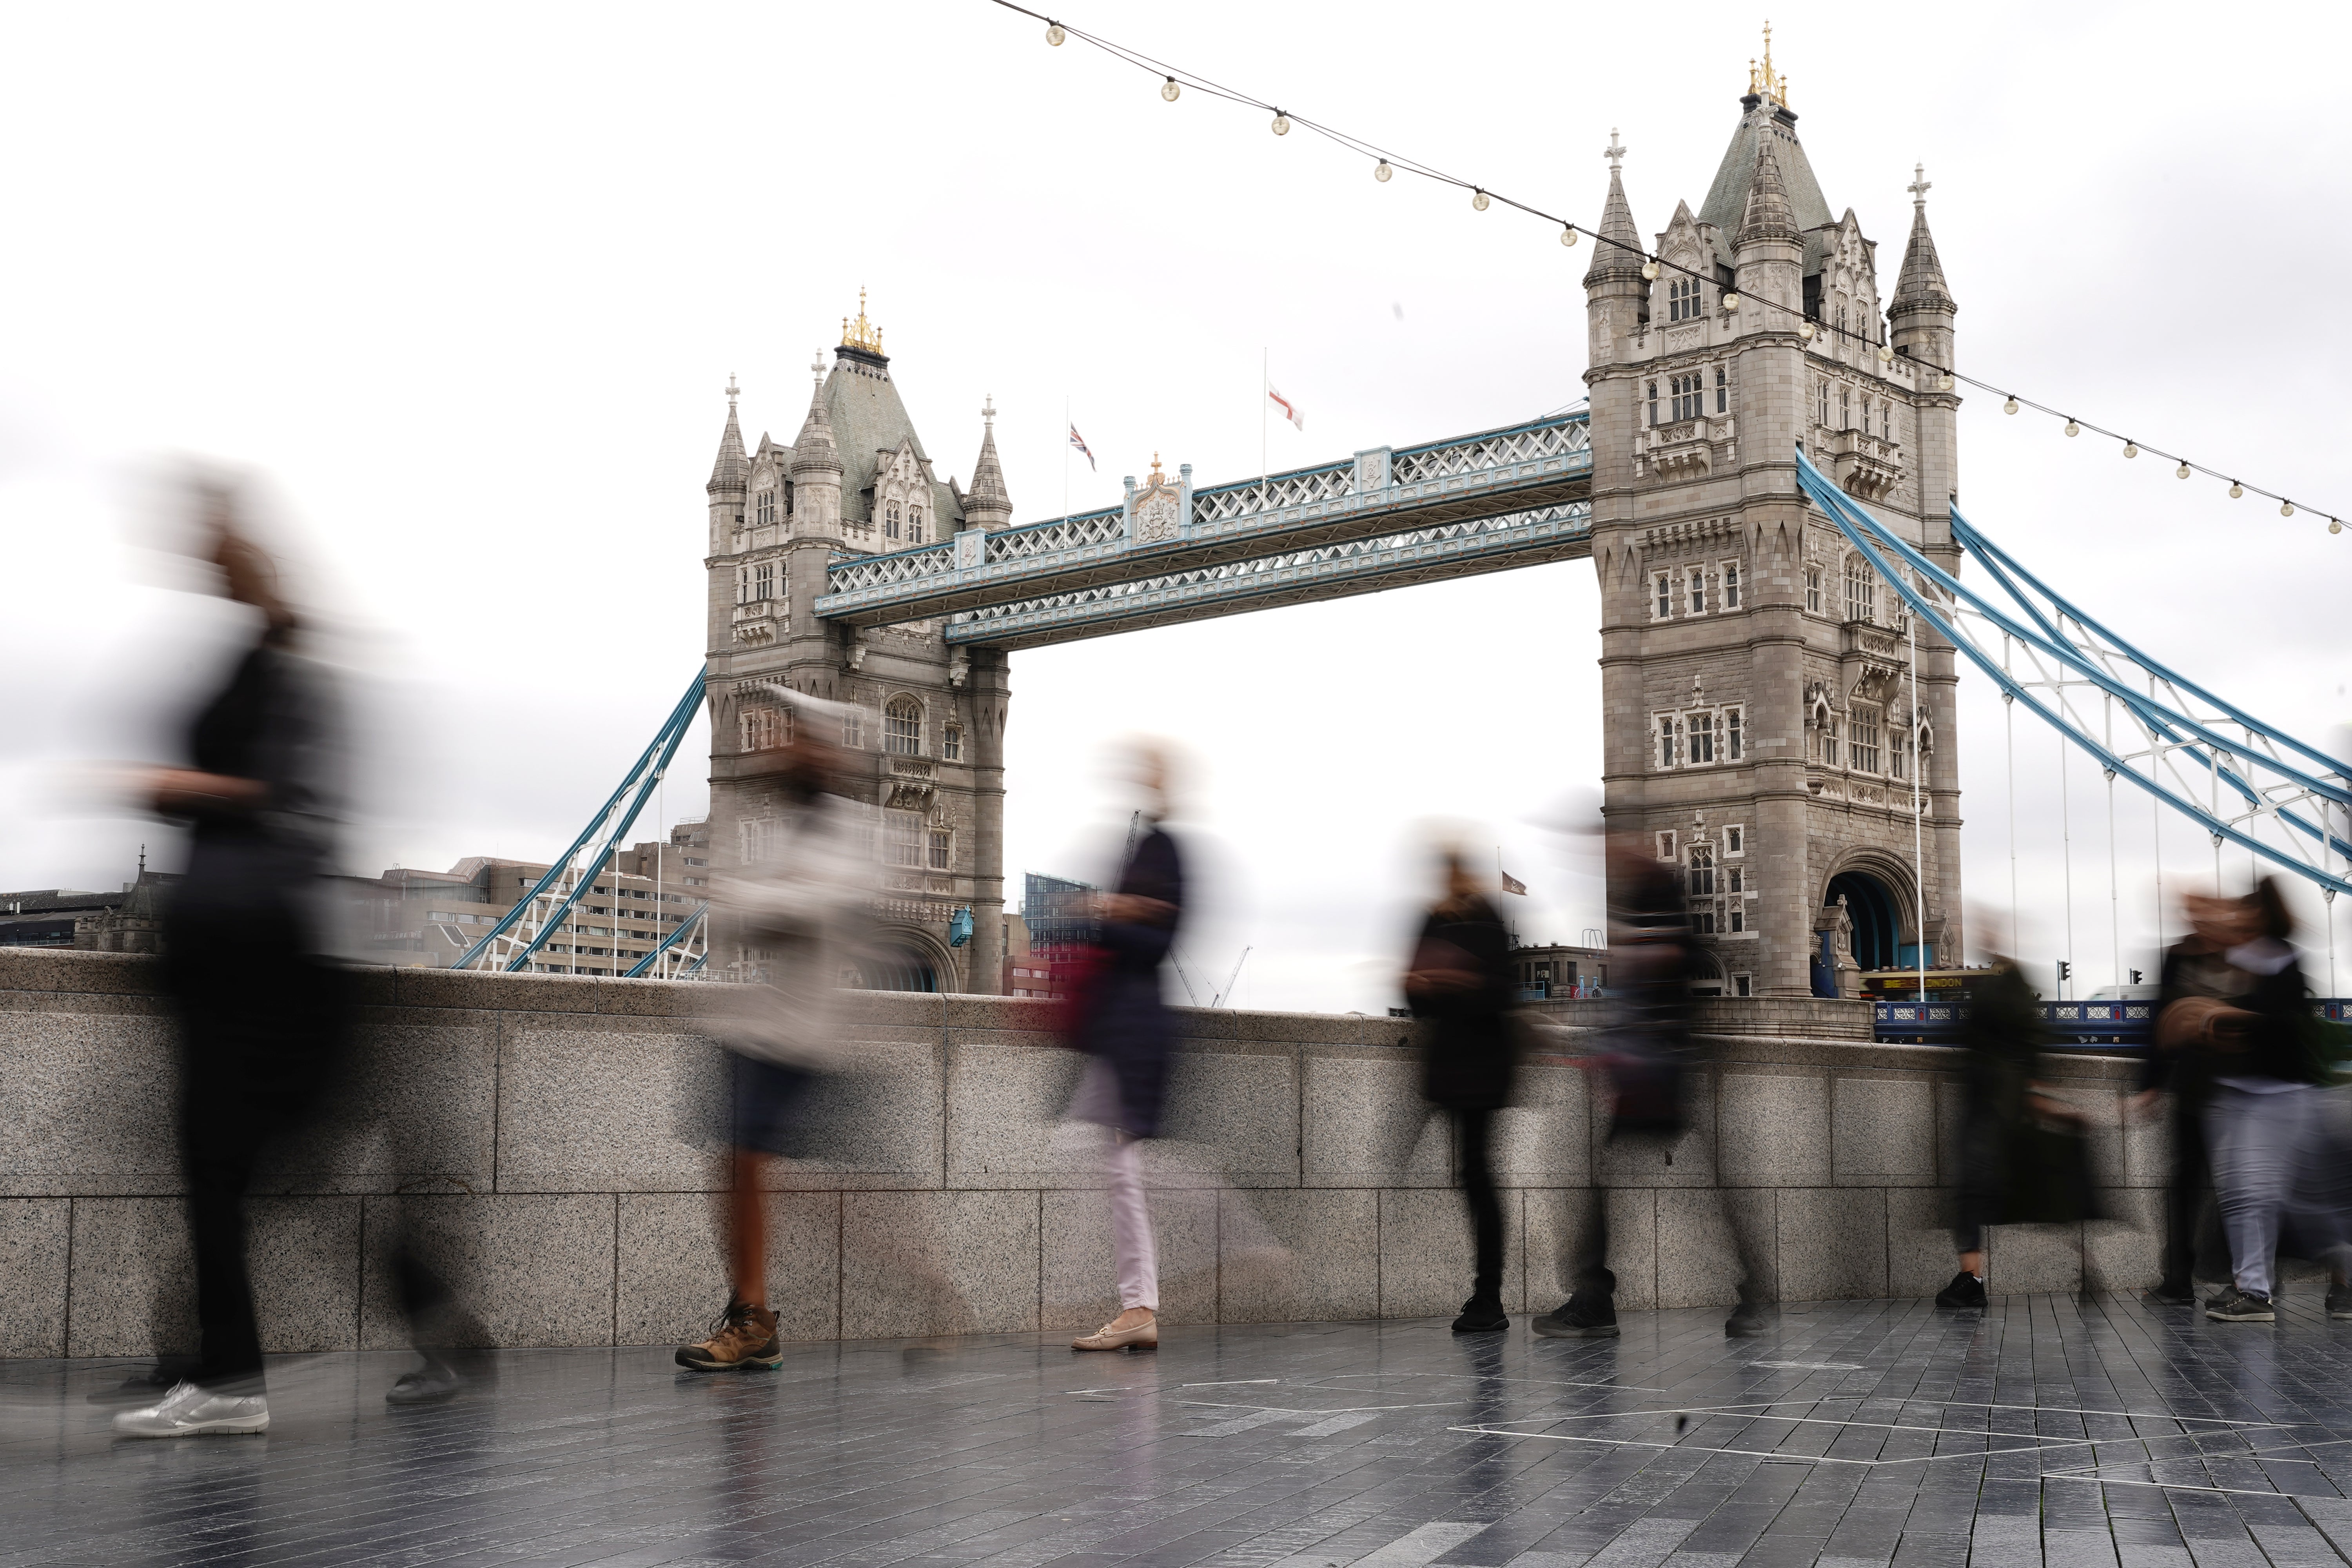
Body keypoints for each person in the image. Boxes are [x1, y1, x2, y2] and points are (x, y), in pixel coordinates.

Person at [114, 488, 352, 1438]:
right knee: (229, 1166)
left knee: (227, 1165)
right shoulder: (260, 658)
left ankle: (226, 1374)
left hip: (257, 949)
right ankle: (216, 1366)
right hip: (234, 946)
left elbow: (286, 796)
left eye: (216, 544)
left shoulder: (283, 667)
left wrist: (181, 785)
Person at [675, 690, 867, 1371]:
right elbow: (762, 918)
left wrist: (742, 894)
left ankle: (756, 1317)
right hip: (763, 1031)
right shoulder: (791, 828)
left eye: (792, 737)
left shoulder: (844, 829)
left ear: (823, 750)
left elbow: (806, 908)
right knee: (738, 1167)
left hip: (805, 1038)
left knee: (773, 1177)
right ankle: (751, 1312)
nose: (776, 748)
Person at [1534, 835, 1771, 1339]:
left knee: (1675, 1194)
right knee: (1661, 1190)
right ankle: (1749, 1290)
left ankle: (1600, 1300)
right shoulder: (1644, 905)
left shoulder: (1655, 905)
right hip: (1647, 1070)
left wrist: (1615, 1047)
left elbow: (1652, 989)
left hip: (1657, 1072)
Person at [2172, 881, 2345, 1323]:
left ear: (2263, 915)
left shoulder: (2280, 957)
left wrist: (2214, 1014)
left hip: (2280, 1097)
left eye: (2244, 913)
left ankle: (2259, 1290)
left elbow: (2279, 1021)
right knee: (2256, 1198)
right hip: (2245, 1095)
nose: (2236, 921)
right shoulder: (2242, 957)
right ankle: (2253, 1290)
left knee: (2282, 1201)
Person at [1065, 743, 1185, 1353]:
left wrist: (1113, 908)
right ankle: (1138, 1304)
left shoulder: (1166, 849)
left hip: (1135, 1029)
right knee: (1119, 1165)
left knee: (1122, 1167)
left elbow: (1159, 935)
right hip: (1125, 1027)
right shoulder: (1152, 845)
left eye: (1148, 769)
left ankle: (1140, 1305)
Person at [1403, 846, 1518, 1333]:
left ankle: (1489, 1296)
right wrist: (1423, 982)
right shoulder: (1431, 918)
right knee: (1472, 1174)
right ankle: (1486, 1295)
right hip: (1449, 1065)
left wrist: (1452, 978)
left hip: (1482, 1066)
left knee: (1477, 1173)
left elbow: (1500, 990)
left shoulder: (1485, 917)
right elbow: (1412, 995)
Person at [1934, 955, 2083, 1310]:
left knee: (1977, 1193)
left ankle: (1972, 1279)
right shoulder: (2017, 1015)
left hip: (1991, 1113)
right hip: (1998, 1111)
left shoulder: (2001, 1007)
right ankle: (1972, 1278)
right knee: (2011, 1195)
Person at [2131, 895, 2241, 1305]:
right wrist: (2151, 1083)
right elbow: (2161, 1019)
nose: (2198, 920)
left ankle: (2246, 1275)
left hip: (2234, 1091)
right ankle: (2179, 1277)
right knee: (2184, 1183)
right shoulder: (2178, 956)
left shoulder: (2240, 955)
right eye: (2193, 913)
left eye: (2205, 911)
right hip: (2194, 1090)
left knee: (2239, 1185)